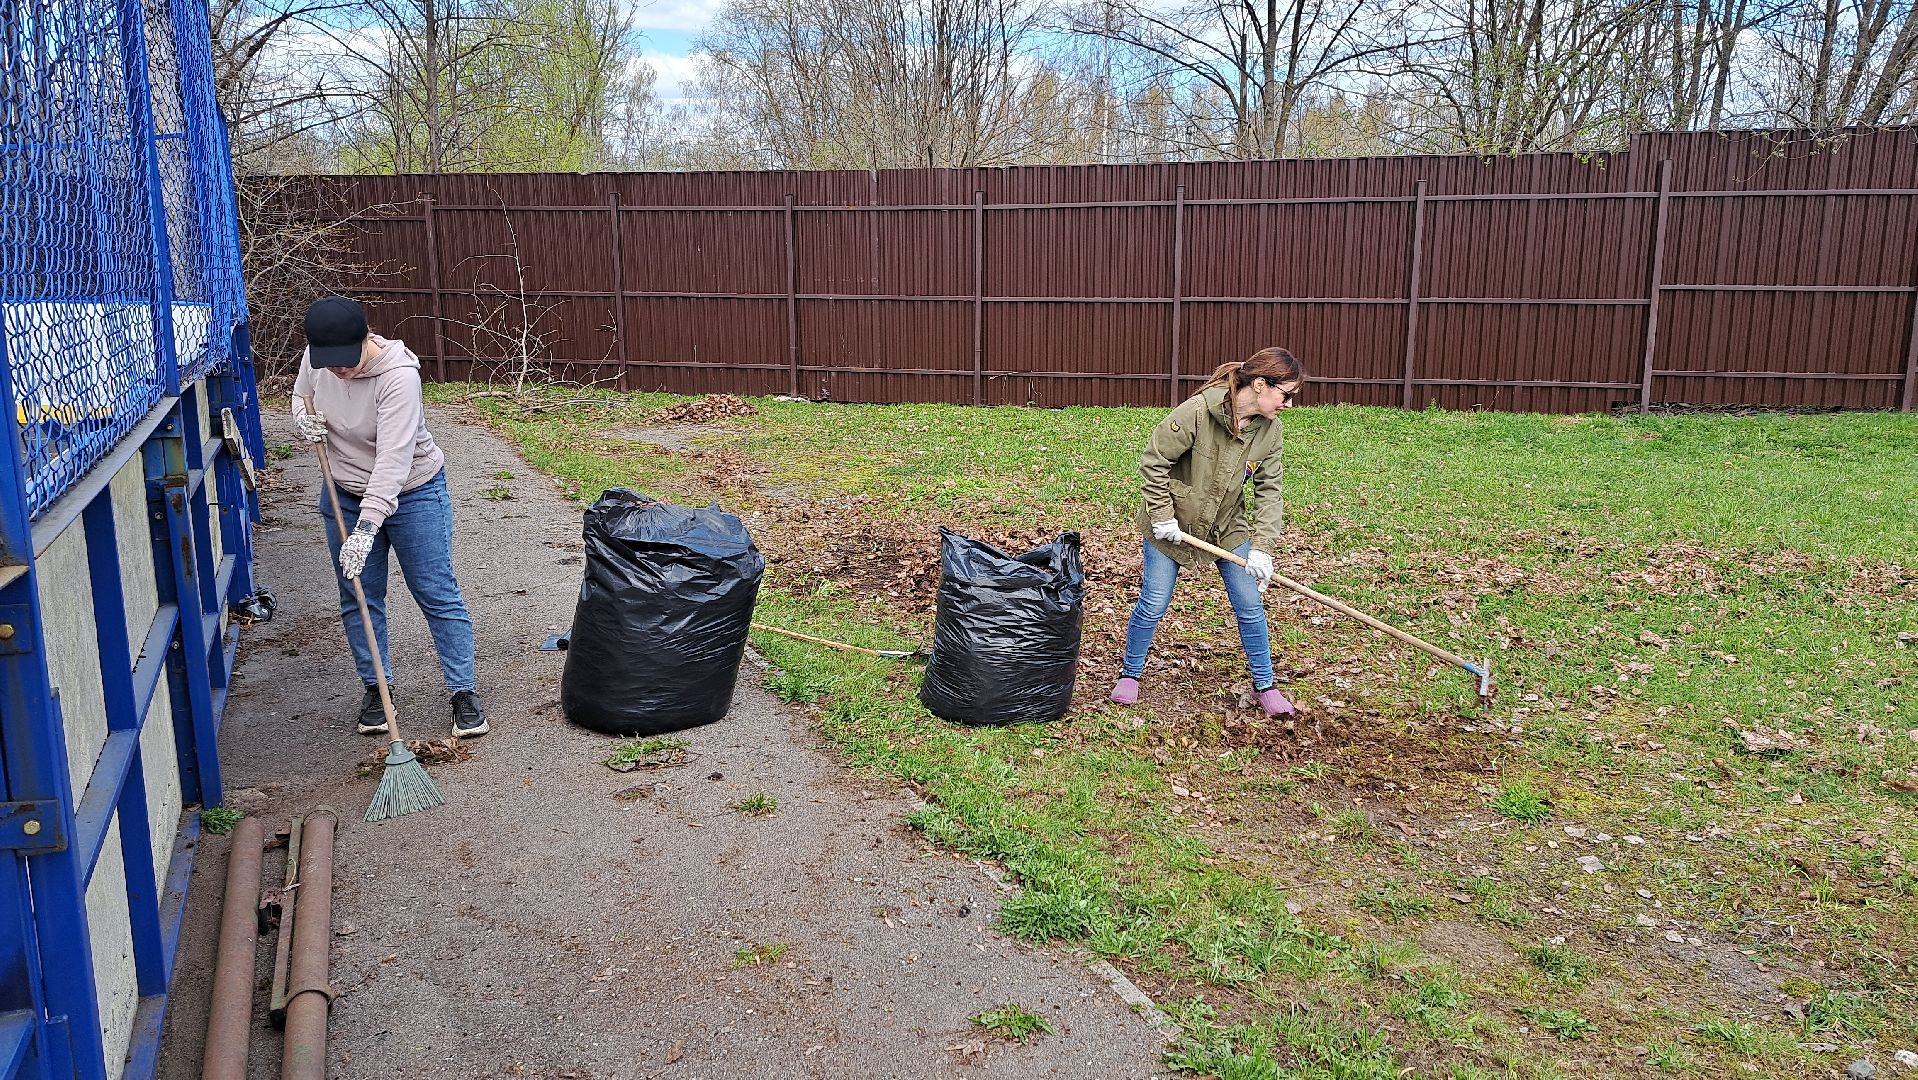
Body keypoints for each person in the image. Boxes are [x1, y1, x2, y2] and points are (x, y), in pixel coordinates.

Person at [290, 295, 488, 739]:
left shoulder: (399, 378)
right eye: (331, 363)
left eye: (346, 361)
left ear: (366, 339)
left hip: (413, 490)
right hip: (343, 490)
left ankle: (463, 691)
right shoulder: (318, 356)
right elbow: (301, 397)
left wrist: (366, 527)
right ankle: (378, 688)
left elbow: (393, 461)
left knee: (435, 590)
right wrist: (303, 420)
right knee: (359, 595)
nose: (338, 370)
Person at [1111, 346, 1304, 717]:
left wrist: (1262, 548)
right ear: (1261, 384)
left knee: (1249, 605)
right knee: (1153, 603)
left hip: (1227, 527)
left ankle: (1266, 685)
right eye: (1287, 395)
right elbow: (1155, 462)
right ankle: (1130, 675)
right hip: (1171, 526)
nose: (1290, 404)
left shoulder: (1270, 432)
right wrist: (1163, 516)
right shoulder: (1198, 411)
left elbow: (1269, 491)